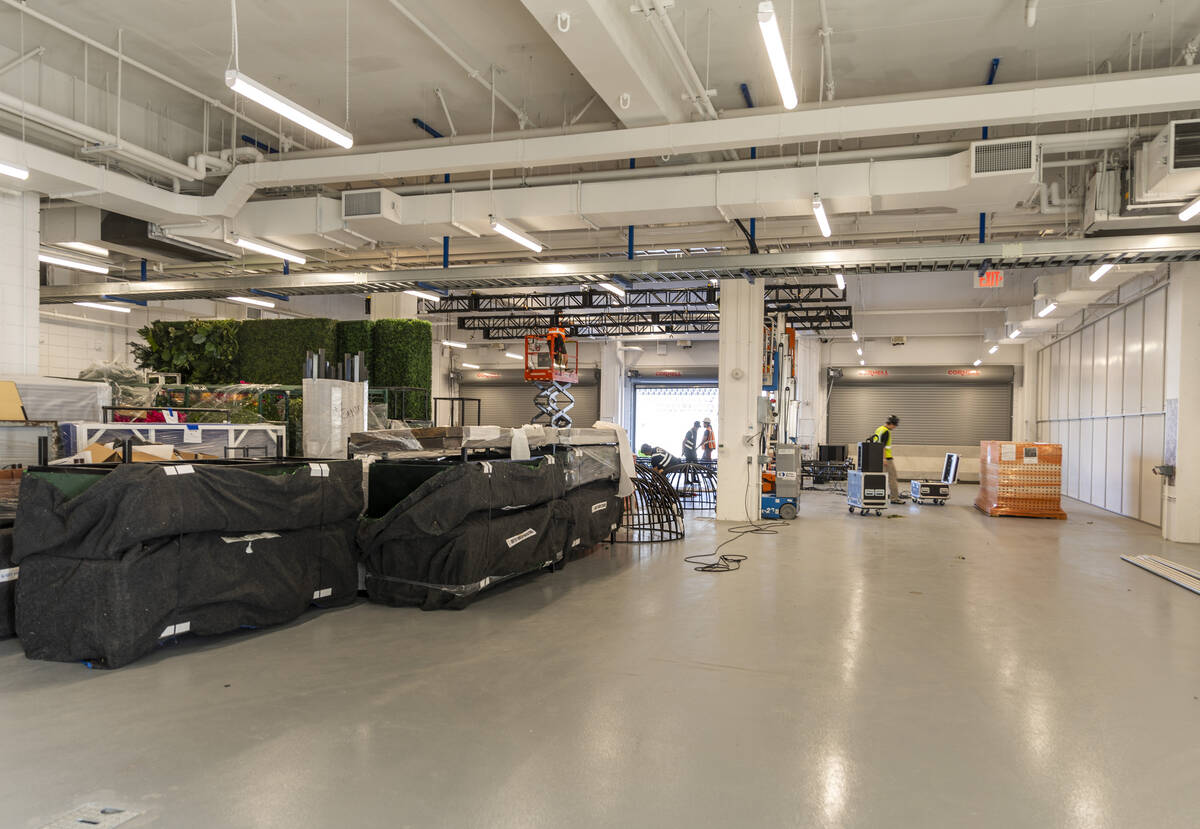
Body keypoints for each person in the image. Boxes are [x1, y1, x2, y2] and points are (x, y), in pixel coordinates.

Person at [873, 415, 904, 504]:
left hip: (877, 457)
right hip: (886, 458)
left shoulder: (879, 429)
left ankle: (876, 495)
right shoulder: (886, 432)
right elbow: (882, 446)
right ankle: (894, 498)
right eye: (895, 425)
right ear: (891, 424)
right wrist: (884, 459)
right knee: (893, 478)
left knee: (880, 477)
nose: (894, 428)